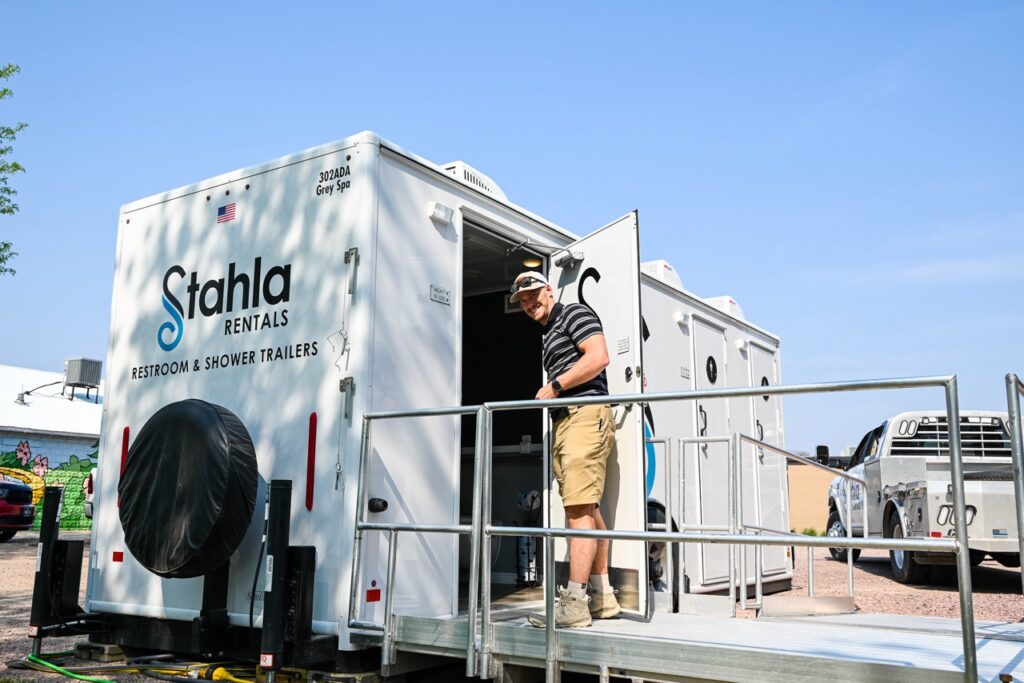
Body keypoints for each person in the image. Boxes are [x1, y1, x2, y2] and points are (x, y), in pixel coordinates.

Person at [509, 271, 621, 628]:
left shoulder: (574, 314)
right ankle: (603, 597)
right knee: (586, 508)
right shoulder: (547, 333)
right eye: (522, 301)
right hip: (568, 420)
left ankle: (574, 603)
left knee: (577, 511)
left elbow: (599, 357)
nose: (528, 304)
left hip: (584, 416)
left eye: (532, 295)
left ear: (549, 290)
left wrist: (555, 386)